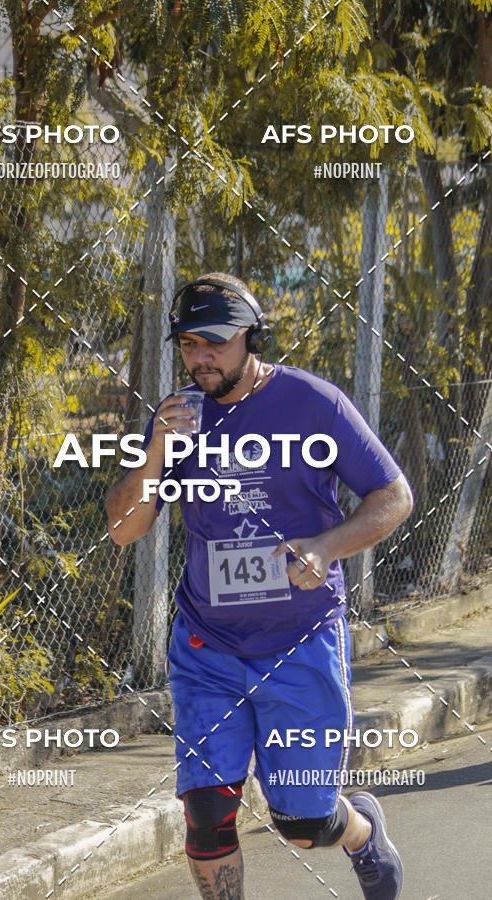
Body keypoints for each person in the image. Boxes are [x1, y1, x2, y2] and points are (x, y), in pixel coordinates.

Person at [105, 272, 413, 900]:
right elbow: (122, 529)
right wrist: (157, 447)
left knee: (304, 823)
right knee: (208, 811)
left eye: (215, 343)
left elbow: (394, 495)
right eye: (189, 345)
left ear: (251, 337)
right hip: (207, 647)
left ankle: (358, 829)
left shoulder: (312, 404)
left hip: (299, 641)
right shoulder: (178, 418)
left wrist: (327, 547)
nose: (201, 358)